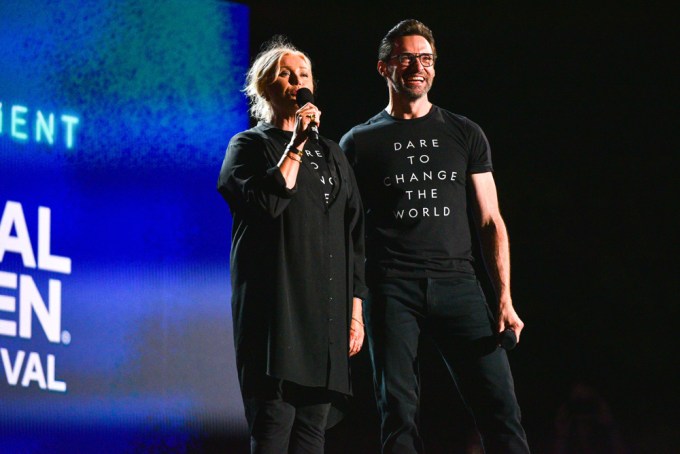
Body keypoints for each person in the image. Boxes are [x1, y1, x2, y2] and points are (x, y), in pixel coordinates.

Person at [340, 19, 530, 453]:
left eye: (425, 59)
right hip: (391, 288)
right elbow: (347, 231)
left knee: (500, 407)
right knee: (398, 414)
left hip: (459, 286)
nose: (417, 67)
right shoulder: (358, 142)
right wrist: (354, 304)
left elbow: (490, 221)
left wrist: (504, 298)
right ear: (384, 67)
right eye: (406, 58)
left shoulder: (465, 133)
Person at [217, 37, 367, 454]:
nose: (297, 82)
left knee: (311, 437)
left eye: (303, 75)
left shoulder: (334, 155)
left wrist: (356, 312)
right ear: (265, 87)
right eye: (286, 74)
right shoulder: (248, 146)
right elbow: (266, 202)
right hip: (276, 315)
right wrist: (297, 142)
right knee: (273, 428)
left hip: (326, 319)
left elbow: (354, 234)